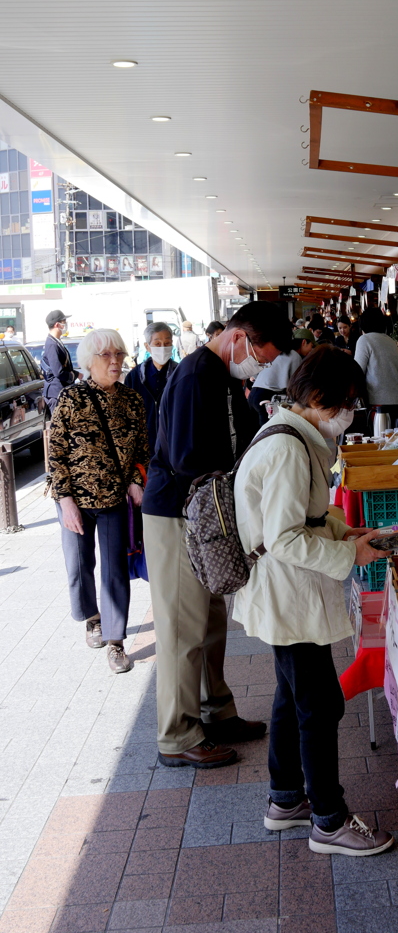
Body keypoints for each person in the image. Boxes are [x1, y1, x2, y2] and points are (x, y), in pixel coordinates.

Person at [233, 345, 394, 856]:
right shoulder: (287, 447)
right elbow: (283, 538)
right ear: (320, 398)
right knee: (319, 705)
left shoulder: (293, 436)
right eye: (346, 403)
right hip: (287, 593)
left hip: (286, 591)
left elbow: (303, 519)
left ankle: (285, 799)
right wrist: (348, 556)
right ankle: (328, 819)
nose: (349, 414)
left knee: (292, 696)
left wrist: (348, 534)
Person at [142, 301, 293, 769]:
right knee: (181, 628)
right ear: (237, 339)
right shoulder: (194, 375)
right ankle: (177, 733)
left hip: (205, 512)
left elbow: (245, 434)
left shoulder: (223, 375)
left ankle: (216, 711)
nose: (259, 367)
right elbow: (188, 456)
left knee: (209, 621)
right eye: (259, 357)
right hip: (178, 513)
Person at [48, 329, 149, 674]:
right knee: (78, 567)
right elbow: (56, 452)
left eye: (119, 354)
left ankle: (116, 640)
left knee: (114, 571)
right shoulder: (70, 399)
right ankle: (92, 618)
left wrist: (136, 481)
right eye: (106, 355)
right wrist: (64, 501)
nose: (116, 361)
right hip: (75, 499)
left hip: (113, 501)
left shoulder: (132, 401)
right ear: (89, 362)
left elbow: (143, 451)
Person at [124, 322, 178, 457]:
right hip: (145, 446)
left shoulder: (180, 374)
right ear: (147, 346)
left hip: (173, 443)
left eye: (167, 343)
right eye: (157, 344)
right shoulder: (135, 376)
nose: (163, 348)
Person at [354, 307, 398, 427]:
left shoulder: (364, 340)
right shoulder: (390, 341)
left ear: (363, 323)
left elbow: (357, 372)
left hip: (380, 405)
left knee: (381, 443)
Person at [248, 340, 304, 428]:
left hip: (254, 393)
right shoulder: (295, 356)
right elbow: (295, 385)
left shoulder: (273, 352)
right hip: (268, 397)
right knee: (267, 433)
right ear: (303, 343)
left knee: (254, 434)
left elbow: (255, 374)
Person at [41, 310, 76, 416]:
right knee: (60, 428)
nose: (65, 324)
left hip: (60, 392)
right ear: (57, 324)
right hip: (56, 392)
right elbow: (58, 372)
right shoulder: (52, 344)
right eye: (64, 321)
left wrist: (78, 374)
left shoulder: (56, 341)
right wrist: (73, 375)